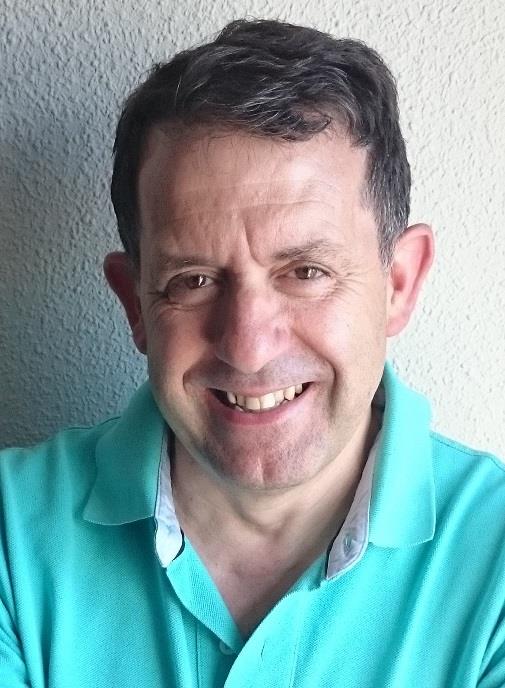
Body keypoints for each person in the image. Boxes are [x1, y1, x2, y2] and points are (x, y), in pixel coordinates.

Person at [1, 17, 504, 688]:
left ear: (399, 284)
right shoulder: (10, 535)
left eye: (306, 272)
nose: (247, 345)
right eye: (194, 281)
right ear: (135, 304)